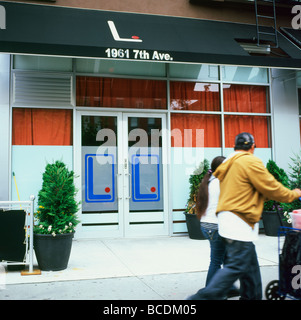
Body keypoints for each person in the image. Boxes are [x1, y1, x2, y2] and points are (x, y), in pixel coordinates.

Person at [187, 132, 301, 300]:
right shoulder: (249, 160)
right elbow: (271, 187)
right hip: (239, 224)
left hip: (228, 223)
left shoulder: (228, 163)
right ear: (252, 147)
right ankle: (200, 298)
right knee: (235, 266)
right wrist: (293, 193)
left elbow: (249, 189)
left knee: (251, 272)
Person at [196, 156, 239, 298]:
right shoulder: (221, 183)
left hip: (207, 225)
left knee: (227, 258)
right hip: (216, 226)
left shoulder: (209, 181)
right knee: (216, 260)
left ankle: (227, 287)